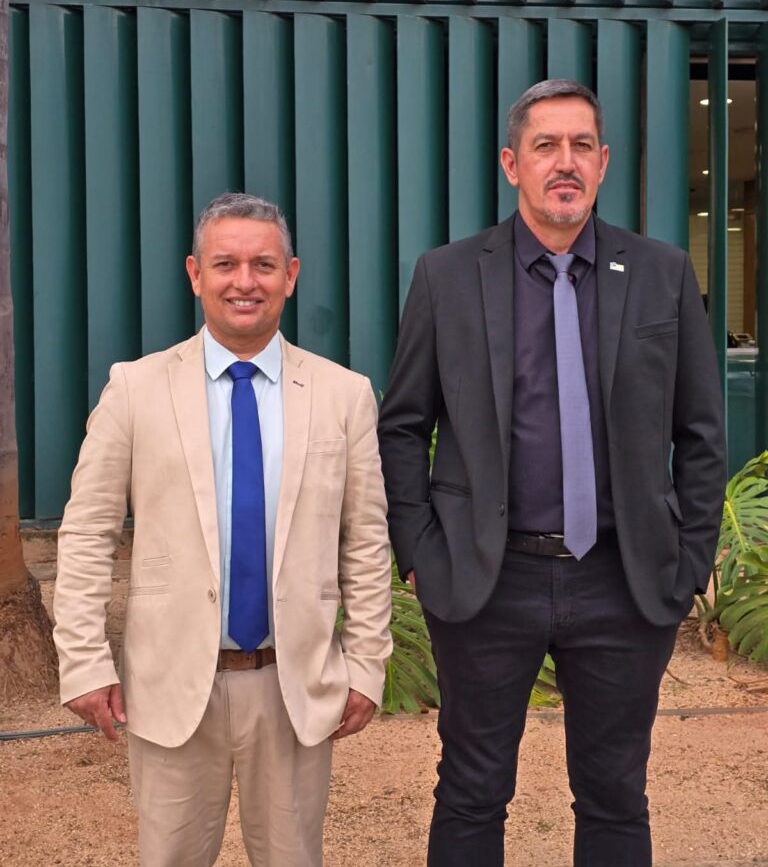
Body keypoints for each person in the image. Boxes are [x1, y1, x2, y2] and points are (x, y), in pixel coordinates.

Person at [377, 79, 726, 867]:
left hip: (622, 580)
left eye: (580, 146)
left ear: (602, 163)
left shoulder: (663, 274)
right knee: (471, 792)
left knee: (615, 796)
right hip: (486, 579)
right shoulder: (447, 277)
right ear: (513, 164)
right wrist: (422, 553)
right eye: (545, 146)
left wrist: (689, 559)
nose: (564, 162)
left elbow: (701, 431)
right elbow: (402, 424)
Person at [54, 192, 392, 867]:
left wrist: (366, 665)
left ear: (290, 276)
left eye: (263, 265)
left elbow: (365, 541)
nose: (245, 282)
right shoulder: (135, 390)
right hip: (173, 685)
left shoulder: (343, 395)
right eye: (225, 264)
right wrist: (84, 661)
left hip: (293, 688)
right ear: (195, 273)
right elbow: (87, 532)